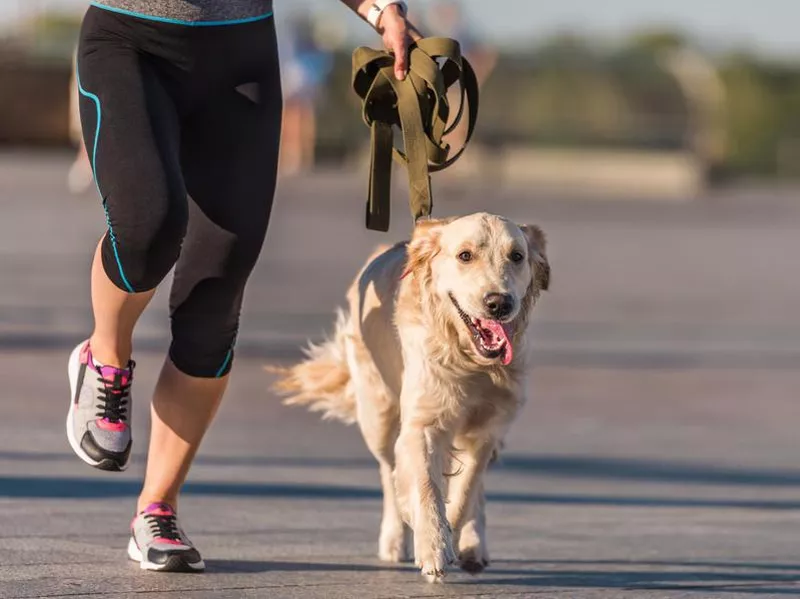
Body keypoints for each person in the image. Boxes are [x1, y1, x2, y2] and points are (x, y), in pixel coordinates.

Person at [67, 0, 417, 573]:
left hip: (240, 59)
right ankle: (105, 353)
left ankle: (157, 508)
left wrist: (383, 12)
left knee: (218, 286)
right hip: (130, 43)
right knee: (149, 228)